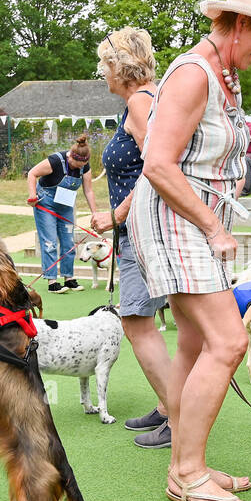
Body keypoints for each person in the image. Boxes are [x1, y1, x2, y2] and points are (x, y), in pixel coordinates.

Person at [129, 0, 251, 501]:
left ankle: (189, 463)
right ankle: (187, 475)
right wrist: (213, 226)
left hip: (195, 219)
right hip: (174, 219)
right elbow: (158, 163)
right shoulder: (191, 73)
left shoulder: (224, 77)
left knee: (192, 345)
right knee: (228, 343)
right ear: (240, 23)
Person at [87, 27, 172, 449]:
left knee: (137, 320)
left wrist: (116, 214)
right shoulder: (146, 100)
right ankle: (166, 405)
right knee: (144, 320)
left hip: (141, 229)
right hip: (139, 230)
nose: (101, 73)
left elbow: (155, 165)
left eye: (104, 64)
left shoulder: (140, 102)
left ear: (121, 66)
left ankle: (176, 414)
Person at [27, 134, 99, 294]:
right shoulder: (55, 161)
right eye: (75, 165)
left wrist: (95, 213)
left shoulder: (84, 167)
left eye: (82, 166)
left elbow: (89, 190)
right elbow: (32, 174)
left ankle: (69, 278)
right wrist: (32, 196)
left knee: (68, 242)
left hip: (65, 205)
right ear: (70, 157)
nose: (78, 168)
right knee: (50, 242)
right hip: (46, 202)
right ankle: (52, 281)